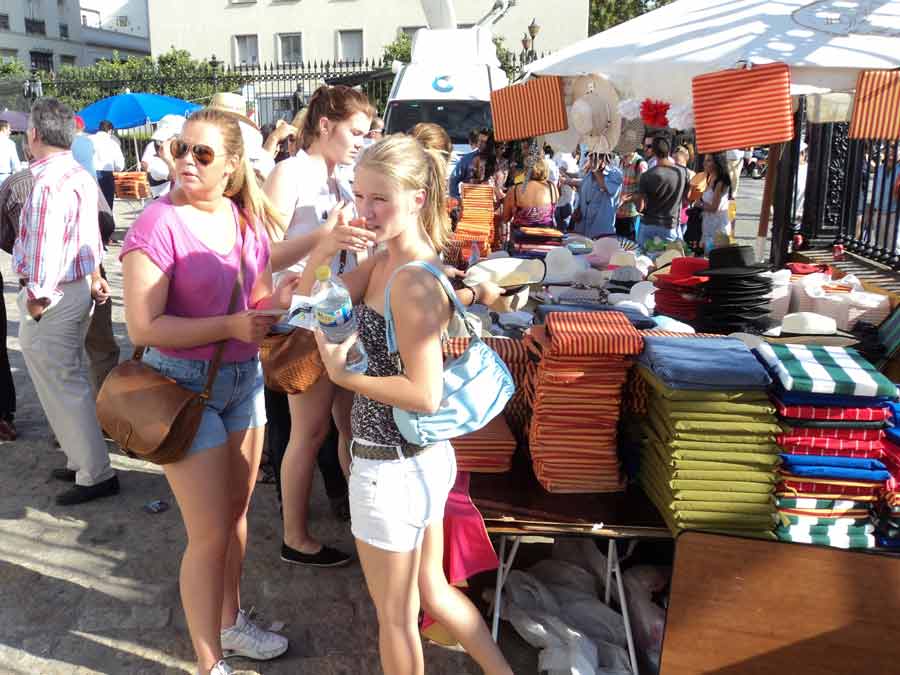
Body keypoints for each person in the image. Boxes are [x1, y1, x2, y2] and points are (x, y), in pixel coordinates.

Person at [301, 133, 513, 675]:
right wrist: (325, 248)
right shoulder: (386, 262)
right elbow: (309, 300)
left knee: (397, 619)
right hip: (419, 459)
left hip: (390, 468)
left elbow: (425, 393)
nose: (365, 211)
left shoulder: (409, 280)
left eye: (379, 199)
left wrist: (343, 376)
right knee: (434, 593)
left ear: (417, 198)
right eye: (359, 196)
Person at [121, 107, 295, 675]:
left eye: (202, 154)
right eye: (180, 150)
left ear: (232, 166)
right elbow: (144, 328)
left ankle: (229, 621)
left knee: (238, 515)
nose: (186, 162)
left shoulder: (243, 217)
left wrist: (282, 301)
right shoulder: (157, 223)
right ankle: (207, 661)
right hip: (182, 386)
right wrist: (230, 326)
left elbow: (259, 300)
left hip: (244, 381)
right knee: (210, 531)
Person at [263, 84, 376, 568]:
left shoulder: (342, 176)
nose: (360, 141)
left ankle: (365, 521)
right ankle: (295, 536)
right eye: (355, 131)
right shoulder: (288, 173)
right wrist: (324, 236)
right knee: (307, 432)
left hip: (340, 312)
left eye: (365, 133)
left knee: (349, 425)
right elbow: (262, 254)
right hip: (306, 314)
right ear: (325, 125)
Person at [14, 98, 118, 505]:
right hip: (74, 290)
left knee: (64, 384)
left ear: (35, 135)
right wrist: (93, 276)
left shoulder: (47, 182)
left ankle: (94, 471)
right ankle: (83, 462)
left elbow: (46, 248)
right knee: (68, 379)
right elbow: (89, 235)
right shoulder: (74, 173)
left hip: (53, 295)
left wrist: (37, 299)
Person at [635, 135, 688, 248]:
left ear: (653, 151)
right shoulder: (682, 173)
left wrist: (635, 198)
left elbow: (640, 207)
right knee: (667, 262)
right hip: (670, 226)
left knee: (645, 262)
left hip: (649, 225)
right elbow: (686, 198)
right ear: (669, 151)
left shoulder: (647, 175)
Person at [571, 152, 623, 239]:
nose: (591, 160)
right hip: (582, 231)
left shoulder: (615, 174)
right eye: (590, 157)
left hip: (601, 233)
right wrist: (578, 209)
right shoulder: (588, 174)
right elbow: (583, 195)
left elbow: (604, 186)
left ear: (605, 158)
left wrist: (596, 169)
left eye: (595, 157)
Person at [502, 153, 558, 230]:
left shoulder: (514, 190)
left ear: (525, 171)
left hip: (521, 238)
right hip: (546, 238)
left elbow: (505, 218)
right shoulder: (552, 188)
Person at [699, 152, 733, 253]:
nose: (704, 163)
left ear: (717, 163)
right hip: (708, 223)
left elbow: (714, 207)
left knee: (715, 257)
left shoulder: (720, 182)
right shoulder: (708, 178)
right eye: (705, 160)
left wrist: (699, 204)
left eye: (709, 160)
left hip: (718, 226)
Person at [615, 146, 648, 239]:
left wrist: (626, 198)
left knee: (627, 247)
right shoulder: (619, 161)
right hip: (616, 213)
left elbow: (642, 193)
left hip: (629, 215)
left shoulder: (640, 164)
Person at [92, 119, 125, 210]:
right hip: (106, 175)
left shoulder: (89, 140)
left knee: (93, 204)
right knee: (107, 205)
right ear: (110, 130)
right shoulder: (113, 143)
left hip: (90, 174)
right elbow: (119, 165)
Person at [449, 128, 490, 198]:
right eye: (479, 141)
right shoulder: (467, 159)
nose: (480, 144)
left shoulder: (500, 160)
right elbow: (453, 179)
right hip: (471, 202)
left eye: (484, 142)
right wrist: (456, 198)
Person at [554, 148, 580, 229]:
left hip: (561, 202)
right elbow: (560, 172)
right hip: (564, 203)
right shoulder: (567, 158)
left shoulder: (561, 156)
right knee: (562, 234)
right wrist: (571, 183)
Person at [0, 120, 22, 186]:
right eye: (9, 129)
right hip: (4, 178)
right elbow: (16, 164)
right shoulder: (10, 143)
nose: (10, 132)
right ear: (4, 129)